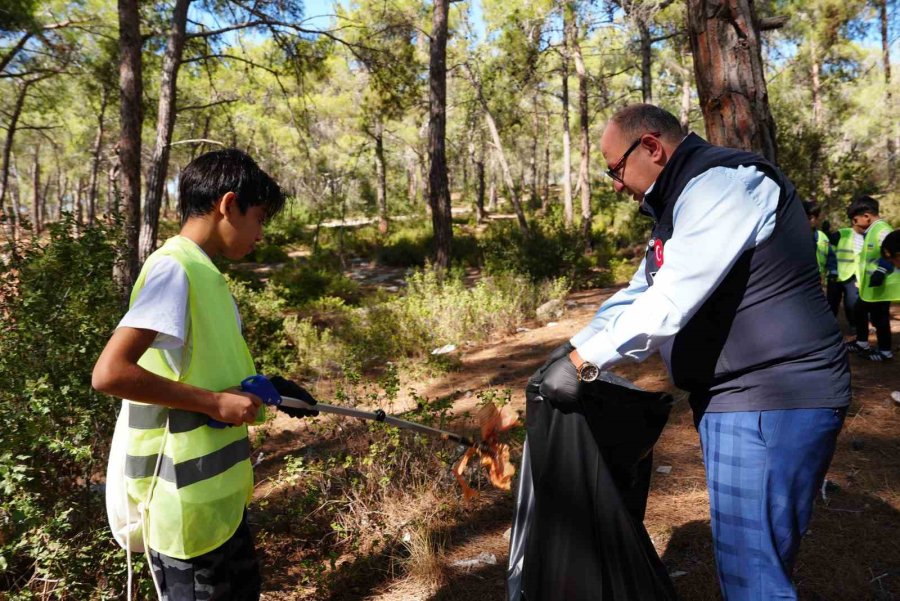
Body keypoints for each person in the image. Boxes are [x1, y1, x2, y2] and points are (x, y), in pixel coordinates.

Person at [538, 104, 850, 601]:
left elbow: (671, 298)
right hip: (739, 397)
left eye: (615, 169)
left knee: (753, 573)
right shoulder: (678, 202)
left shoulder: (724, 184)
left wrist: (585, 362)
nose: (615, 185)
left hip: (773, 396)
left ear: (652, 147)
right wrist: (573, 348)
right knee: (751, 560)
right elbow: (639, 291)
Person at [92, 149, 318, 600]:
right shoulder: (173, 269)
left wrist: (267, 388)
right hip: (182, 518)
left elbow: (202, 369)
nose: (261, 234)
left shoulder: (205, 274)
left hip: (220, 508)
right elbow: (110, 373)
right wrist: (215, 403)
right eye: (258, 218)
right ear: (227, 204)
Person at [846, 196, 894, 361]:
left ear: (866, 216)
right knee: (860, 310)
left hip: (882, 286)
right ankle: (862, 343)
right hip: (871, 287)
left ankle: (885, 352)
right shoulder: (871, 231)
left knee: (880, 319)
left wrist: (881, 271)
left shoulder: (882, 230)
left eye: (855, 219)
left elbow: (891, 252)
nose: (855, 224)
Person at [826, 214, 865, 325]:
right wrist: (832, 271)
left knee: (852, 304)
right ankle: (828, 328)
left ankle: (854, 329)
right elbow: (830, 254)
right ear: (854, 220)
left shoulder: (867, 237)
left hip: (853, 278)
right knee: (831, 304)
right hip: (836, 277)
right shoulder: (840, 234)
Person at [803, 200, 838, 284]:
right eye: (808, 218)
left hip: (818, 280)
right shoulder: (794, 235)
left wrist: (833, 271)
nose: (811, 220)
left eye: (814, 217)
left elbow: (830, 256)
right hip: (801, 279)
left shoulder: (822, 236)